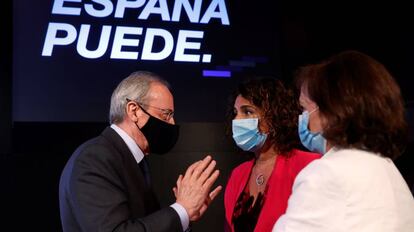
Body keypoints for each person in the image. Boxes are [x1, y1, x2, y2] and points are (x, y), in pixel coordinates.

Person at [59, 71, 222, 232]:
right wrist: (182, 210)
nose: (172, 123)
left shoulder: (132, 160)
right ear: (134, 111)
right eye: (166, 115)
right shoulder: (95, 158)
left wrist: (186, 217)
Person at [273, 50, 414, 232]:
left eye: (304, 108)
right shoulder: (387, 168)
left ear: (331, 112)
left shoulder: (328, 173)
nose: (302, 118)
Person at [224, 78, 321, 232]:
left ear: (274, 117)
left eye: (247, 112)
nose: (237, 120)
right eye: (235, 113)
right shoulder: (238, 174)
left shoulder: (309, 165)